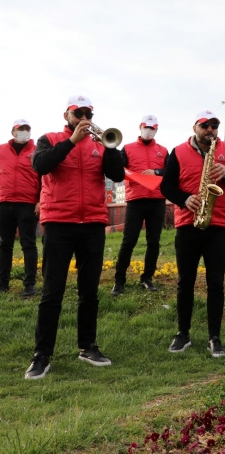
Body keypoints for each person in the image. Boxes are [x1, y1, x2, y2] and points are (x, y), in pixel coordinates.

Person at [24, 96, 125, 380]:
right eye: (77, 112)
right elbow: (41, 166)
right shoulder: (49, 139)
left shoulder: (99, 143)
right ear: (66, 115)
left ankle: (88, 346)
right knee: (52, 291)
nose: (83, 116)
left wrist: (111, 148)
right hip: (58, 223)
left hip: (92, 223)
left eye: (88, 112)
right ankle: (42, 354)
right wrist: (71, 142)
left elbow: (116, 175)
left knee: (89, 290)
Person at [160, 110, 225, 358]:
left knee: (216, 283)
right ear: (195, 127)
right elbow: (166, 186)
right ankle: (183, 333)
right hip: (188, 223)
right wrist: (184, 199)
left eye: (214, 125)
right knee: (185, 282)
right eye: (205, 125)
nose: (210, 129)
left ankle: (214, 336)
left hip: (217, 225)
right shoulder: (177, 151)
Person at [112, 115, 168, 295]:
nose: (149, 130)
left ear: (157, 129)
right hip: (136, 199)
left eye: (152, 128)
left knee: (154, 241)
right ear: (140, 127)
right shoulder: (127, 149)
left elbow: (171, 172)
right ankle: (119, 281)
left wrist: (157, 171)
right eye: (146, 127)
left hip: (157, 200)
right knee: (129, 241)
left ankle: (147, 277)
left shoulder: (163, 150)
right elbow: (117, 170)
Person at [0, 119, 41, 297]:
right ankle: (2, 284)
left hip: (28, 204)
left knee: (28, 244)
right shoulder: (1, 151)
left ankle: (29, 285)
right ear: (13, 132)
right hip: (3, 203)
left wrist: (40, 201)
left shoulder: (37, 151)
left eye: (27, 129)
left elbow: (44, 178)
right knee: (4, 245)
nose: (24, 132)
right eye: (21, 129)